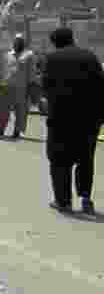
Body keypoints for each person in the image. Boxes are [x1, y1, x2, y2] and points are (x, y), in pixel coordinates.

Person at [42, 27, 104, 214]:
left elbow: (46, 87)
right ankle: (85, 198)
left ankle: (64, 201)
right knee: (85, 159)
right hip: (88, 119)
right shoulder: (90, 57)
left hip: (61, 119)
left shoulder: (52, 59)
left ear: (55, 41)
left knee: (59, 160)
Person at [0, 34, 35, 139]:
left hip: (21, 88)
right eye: (16, 41)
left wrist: (31, 87)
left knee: (20, 111)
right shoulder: (8, 55)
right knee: (3, 109)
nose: (17, 43)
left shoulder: (29, 55)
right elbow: (3, 70)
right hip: (7, 86)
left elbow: (31, 73)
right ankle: (0, 129)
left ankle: (17, 131)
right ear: (13, 43)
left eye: (20, 41)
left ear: (23, 43)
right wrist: (1, 84)